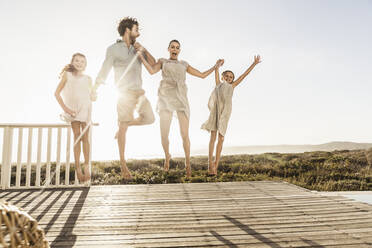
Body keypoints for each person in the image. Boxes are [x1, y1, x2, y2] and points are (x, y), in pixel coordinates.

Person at [136, 39, 222, 177]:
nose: (175, 49)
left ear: (179, 50)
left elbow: (202, 75)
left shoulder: (184, 64)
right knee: (164, 134)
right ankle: (167, 156)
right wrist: (141, 57)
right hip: (165, 98)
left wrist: (215, 67)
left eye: (177, 47)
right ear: (168, 49)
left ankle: (187, 164)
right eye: (172, 47)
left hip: (181, 99)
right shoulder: (163, 61)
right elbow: (152, 71)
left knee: (184, 134)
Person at [91, 17, 156, 179]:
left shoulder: (137, 48)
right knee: (124, 128)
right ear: (128, 30)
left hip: (139, 92)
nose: (139, 33)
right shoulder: (113, 49)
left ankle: (121, 126)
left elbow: (154, 65)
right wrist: (95, 88)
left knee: (150, 118)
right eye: (136, 29)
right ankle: (123, 165)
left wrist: (144, 50)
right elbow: (104, 70)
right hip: (123, 93)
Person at [201, 55, 262, 175]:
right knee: (213, 137)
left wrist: (254, 64)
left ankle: (215, 165)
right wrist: (217, 65)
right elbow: (216, 71)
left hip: (225, 113)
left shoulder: (232, 86)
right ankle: (210, 164)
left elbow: (244, 75)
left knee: (221, 138)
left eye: (231, 77)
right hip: (216, 112)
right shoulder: (218, 84)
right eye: (227, 76)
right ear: (223, 77)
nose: (229, 78)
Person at [55, 52, 93, 182]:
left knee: (86, 138)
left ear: (85, 64)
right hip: (73, 111)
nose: (79, 63)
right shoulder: (67, 75)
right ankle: (78, 168)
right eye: (77, 61)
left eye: (82, 61)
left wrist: (95, 95)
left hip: (86, 109)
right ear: (72, 62)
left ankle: (87, 166)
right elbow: (56, 94)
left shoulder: (88, 78)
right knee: (77, 137)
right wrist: (67, 109)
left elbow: (92, 96)